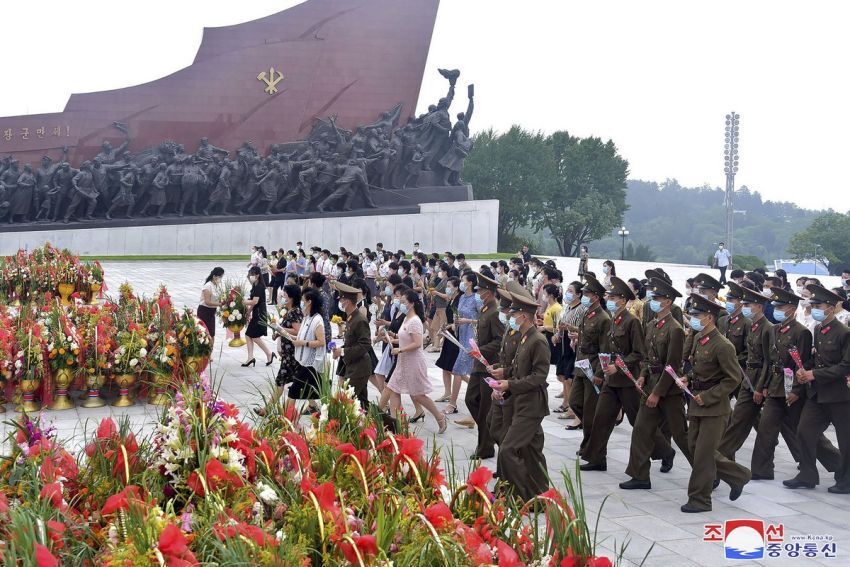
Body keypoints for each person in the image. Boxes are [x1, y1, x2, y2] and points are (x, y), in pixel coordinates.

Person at [581, 277, 674, 472]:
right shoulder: (613, 320)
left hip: (627, 380)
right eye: (609, 296)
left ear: (623, 300)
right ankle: (597, 458)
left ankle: (665, 451)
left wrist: (618, 366)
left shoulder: (632, 322)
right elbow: (606, 350)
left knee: (636, 421)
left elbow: (638, 353)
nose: (610, 300)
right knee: (601, 418)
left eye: (614, 297)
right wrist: (604, 368)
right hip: (611, 379)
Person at [750, 286, 841, 480]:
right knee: (766, 429)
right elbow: (769, 361)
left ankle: (838, 464)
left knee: (807, 432)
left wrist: (798, 391)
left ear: (791, 309)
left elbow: (805, 362)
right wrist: (762, 386)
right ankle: (761, 470)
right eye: (776, 307)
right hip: (775, 387)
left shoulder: (802, 332)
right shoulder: (773, 330)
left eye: (781, 307)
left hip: (793, 389)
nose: (777, 311)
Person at [679, 293, 751, 513]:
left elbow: (733, 378)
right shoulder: (701, 339)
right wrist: (687, 379)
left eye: (696, 315)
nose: (692, 318)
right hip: (697, 404)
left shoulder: (723, 345)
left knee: (703, 455)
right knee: (695, 448)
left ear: (709, 317)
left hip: (714, 408)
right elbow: (700, 369)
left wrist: (709, 396)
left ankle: (700, 499)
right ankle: (738, 475)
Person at [621, 278, 693, 490]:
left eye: (658, 298)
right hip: (650, 384)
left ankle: (709, 471)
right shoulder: (652, 325)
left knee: (682, 436)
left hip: (668, 391)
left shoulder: (675, 329)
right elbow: (647, 356)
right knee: (641, 430)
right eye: (653, 298)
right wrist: (643, 375)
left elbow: (672, 365)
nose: (653, 302)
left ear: (668, 301)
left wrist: (657, 393)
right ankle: (640, 476)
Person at [785, 284, 850, 493]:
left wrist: (815, 374)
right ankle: (807, 474)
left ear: (831, 307)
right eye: (813, 305)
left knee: (846, 440)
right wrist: (805, 371)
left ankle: (846, 480)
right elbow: (818, 358)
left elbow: (845, 366)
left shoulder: (844, 333)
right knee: (804, 430)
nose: (814, 309)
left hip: (840, 395)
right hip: (818, 393)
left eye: (818, 305)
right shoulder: (818, 329)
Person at [491, 291, 551, 501]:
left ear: (523, 316)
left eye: (514, 314)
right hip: (520, 400)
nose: (510, 317)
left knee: (508, 449)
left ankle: (520, 495)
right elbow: (519, 368)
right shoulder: (525, 338)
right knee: (532, 452)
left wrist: (510, 384)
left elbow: (539, 377)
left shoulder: (538, 340)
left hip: (532, 404)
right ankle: (541, 496)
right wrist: (504, 375)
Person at [718, 285, 774, 463]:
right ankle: (720, 459)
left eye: (748, 304)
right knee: (739, 420)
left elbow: (767, 360)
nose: (744, 306)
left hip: (756, 378)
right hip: (746, 376)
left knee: (786, 426)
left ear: (758, 306)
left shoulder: (765, 328)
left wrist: (761, 386)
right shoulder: (735, 322)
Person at [385, 289, 448, 432]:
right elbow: (405, 338)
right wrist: (392, 338)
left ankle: (439, 417)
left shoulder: (415, 321)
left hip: (413, 362)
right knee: (393, 389)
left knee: (418, 394)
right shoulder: (406, 318)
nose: (400, 304)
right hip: (403, 362)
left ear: (411, 304)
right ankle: (395, 424)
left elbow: (417, 343)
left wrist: (399, 349)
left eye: (403, 302)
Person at [569, 275, 611, 456]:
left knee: (590, 409)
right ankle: (589, 443)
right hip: (581, 365)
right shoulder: (587, 313)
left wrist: (600, 373)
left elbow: (605, 349)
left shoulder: (603, 318)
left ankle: (591, 447)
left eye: (587, 293)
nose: (584, 296)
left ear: (595, 296)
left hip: (593, 367)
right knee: (575, 402)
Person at [465, 272, 505, 460]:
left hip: (488, 364)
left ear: (488, 292)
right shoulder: (485, 309)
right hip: (479, 364)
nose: (478, 293)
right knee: (471, 399)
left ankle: (486, 446)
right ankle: (488, 437)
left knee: (484, 409)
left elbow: (499, 341)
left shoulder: (494, 312)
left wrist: (480, 350)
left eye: (480, 290)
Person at [256, 284, 304, 415]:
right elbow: (287, 331)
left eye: (285, 294)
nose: (283, 296)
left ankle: (270, 410)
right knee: (285, 382)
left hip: (292, 354)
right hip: (288, 354)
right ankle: (271, 409)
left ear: (291, 297)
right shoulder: (290, 311)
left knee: (283, 381)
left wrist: (279, 328)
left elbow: (297, 331)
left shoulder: (295, 312)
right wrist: (278, 332)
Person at [332, 281, 373, 409]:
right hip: (354, 365)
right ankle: (391, 426)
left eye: (341, 299)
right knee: (362, 405)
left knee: (345, 402)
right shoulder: (351, 317)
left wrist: (343, 352)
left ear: (347, 302)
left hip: (359, 368)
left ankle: (392, 426)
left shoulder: (359, 319)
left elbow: (365, 344)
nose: (340, 302)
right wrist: (340, 350)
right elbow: (352, 342)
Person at [287, 288, 327, 412]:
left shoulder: (317, 320)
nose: (302, 302)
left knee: (293, 391)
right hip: (303, 361)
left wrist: (303, 343)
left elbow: (321, 342)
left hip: (312, 364)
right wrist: (285, 334)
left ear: (309, 302)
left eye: (304, 300)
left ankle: (286, 419)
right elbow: (301, 336)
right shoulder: (307, 317)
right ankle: (314, 408)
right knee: (309, 390)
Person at [449, 272, 480, 419]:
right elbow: (459, 316)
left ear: (470, 283)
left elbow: (483, 320)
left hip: (471, 338)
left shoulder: (477, 299)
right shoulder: (461, 297)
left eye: (463, 280)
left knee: (457, 370)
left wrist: (468, 321)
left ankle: (452, 403)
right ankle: (479, 390)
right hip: (461, 335)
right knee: (462, 371)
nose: (461, 282)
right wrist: (455, 324)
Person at [242, 266, 275, 367]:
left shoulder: (260, 287)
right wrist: (248, 311)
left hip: (260, 314)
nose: (250, 277)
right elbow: (253, 303)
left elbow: (254, 301)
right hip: (256, 312)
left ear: (257, 275)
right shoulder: (255, 286)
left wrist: (243, 301)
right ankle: (250, 357)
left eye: (251, 275)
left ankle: (269, 353)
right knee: (248, 335)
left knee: (255, 336)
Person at [198, 267, 224, 352]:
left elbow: (218, 298)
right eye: (220, 277)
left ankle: (209, 353)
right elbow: (207, 301)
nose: (220, 279)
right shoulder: (208, 286)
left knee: (212, 333)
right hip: (204, 311)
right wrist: (220, 304)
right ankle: (203, 352)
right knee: (204, 333)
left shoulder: (216, 285)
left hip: (212, 312)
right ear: (214, 276)